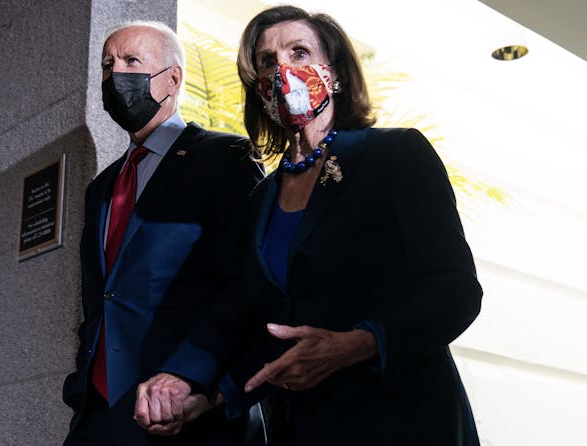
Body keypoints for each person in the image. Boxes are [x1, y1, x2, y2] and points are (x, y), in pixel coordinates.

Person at [134, 5, 483, 445]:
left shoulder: (396, 156)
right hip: (303, 428)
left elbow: (455, 293)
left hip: (403, 419)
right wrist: (201, 391)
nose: (282, 69)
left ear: (333, 73)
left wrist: (358, 344)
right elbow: (261, 327)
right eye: (266, 61)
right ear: (258, 89)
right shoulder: (261, 199)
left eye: (299, 52)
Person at [61, 21, 265, 446]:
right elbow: (101, 295)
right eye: (107, 64)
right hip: (98, 416)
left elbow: (245, 282)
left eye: (132, 61)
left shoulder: (224, 158)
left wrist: (195, 377)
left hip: (183, 414)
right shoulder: (101, 188)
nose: (116, 74)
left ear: (172, 79)